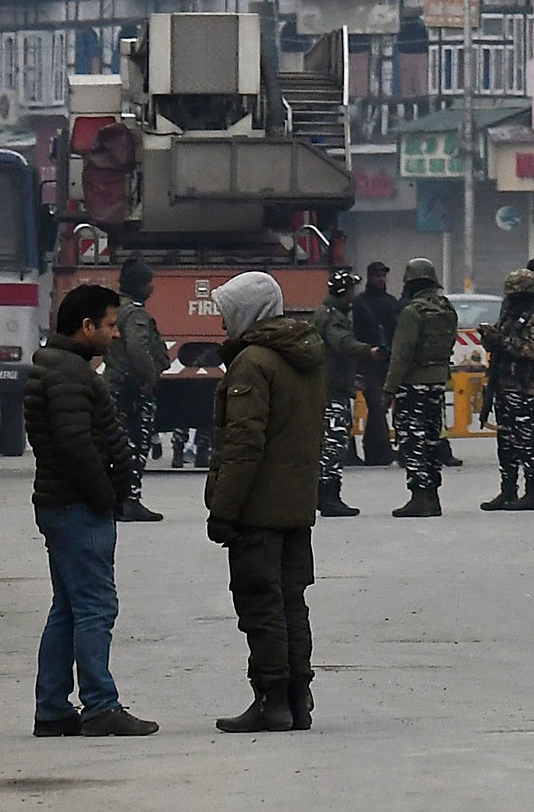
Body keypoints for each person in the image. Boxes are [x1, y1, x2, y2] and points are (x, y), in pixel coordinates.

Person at [27, 281, 158, 738]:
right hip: (77, 507)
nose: (116, 334)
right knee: (95, 607)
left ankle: (52, 708)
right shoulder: (69, 373)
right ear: (86, 328)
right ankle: (100, 705)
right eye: (108, 325)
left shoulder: (61, 366)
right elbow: (75, 443)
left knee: (68, 607)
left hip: (63, 504)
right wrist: (106, 494)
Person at [201, 269, 326, 733]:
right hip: (296, 504)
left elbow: (243, 442)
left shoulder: (253, 362)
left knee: (259, 602)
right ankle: (298, 697)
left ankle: (271, 699)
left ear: (246, 313)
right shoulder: (306, 357)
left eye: (226, 313)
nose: (221, 325)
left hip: (259, 507)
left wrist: (223, 509)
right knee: (292, 601)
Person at [477, 266, 534, 512]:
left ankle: (533, 492)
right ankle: (508, 490)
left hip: (529, 388)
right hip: (506, 385)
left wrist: (502, 341)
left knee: (528, 441)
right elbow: (500, 342)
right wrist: (490, 338)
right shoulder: (510, 315)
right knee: (506, 441)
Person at [381, 256, 459, 519]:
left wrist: (389, 389)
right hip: (437, 383)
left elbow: (400, 354)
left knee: (412, 441)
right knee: (432, 439)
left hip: (412, 385)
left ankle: (418, 497)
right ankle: (433, 496)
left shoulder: (411, 312)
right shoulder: (447, 309)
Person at [109, 259, 166, 522]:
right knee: (137, 442)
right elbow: (138, 348)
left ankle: (118, 498)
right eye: (149, 281)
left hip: (117, 385)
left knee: (119, 444)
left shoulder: (117, 308)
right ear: (141, 285)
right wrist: (149, 377)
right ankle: (130, 499)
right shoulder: (135, 314)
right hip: (132, 388)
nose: (153, 286)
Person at [310, 267, 365, 519]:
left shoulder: (332, 313)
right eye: (352, 289)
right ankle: (328, 496)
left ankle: (326, 495)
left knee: (332, 441)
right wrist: (369, 351)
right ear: (345, 292)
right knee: (333, 443)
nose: (355, 293)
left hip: (331, 387)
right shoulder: (332, 317)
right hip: (331, 390)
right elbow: (340, 343)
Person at [350, 261, 400, 465]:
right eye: (377, 276)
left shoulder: (390, 302)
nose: (381, 279)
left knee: (379, 406)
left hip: (385, 362)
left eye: (383, 276)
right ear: (370, 277)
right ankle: (379, 449)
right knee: (377, 404)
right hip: (366, 362)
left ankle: (375, 450)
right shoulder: (360, 303)